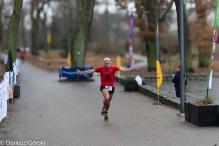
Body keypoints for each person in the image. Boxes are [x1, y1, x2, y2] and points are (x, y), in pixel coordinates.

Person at [76, 57, 137, 121]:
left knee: (108, 101)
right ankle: (104, 107)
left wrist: (131, 69)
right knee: (107, 98)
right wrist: (81, 72)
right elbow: (91, 71)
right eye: (106, 61)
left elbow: (122, 69)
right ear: (104, 62)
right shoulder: (101, 68)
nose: (107, 62)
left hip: (111, 86)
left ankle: (106, 112)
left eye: (108, 61)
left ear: (109, 62)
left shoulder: (113, 68)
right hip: (104, 86)